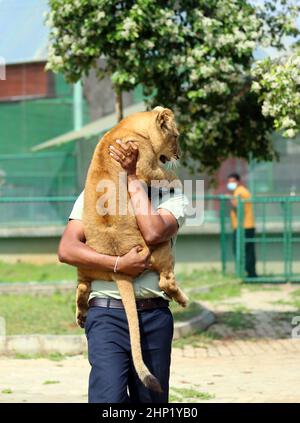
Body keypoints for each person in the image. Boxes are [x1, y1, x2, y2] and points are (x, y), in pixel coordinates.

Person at [58, 139, 188, 403]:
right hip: (106, 314)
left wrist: (132, 180)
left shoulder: (175, 196)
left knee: (150, 403)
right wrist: (117, 265)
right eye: (128, 155)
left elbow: (153, 232)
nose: (134, 159)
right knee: (108, 401)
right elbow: (67, 249)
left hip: (153, 316)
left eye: (140, 156)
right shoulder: (95, 192)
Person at [227, 172, 257, 278]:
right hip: (243, 226)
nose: (230, 184)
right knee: (246, 250)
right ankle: (249, 273)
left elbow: (239, 207)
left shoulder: (240, 192)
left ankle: (249, 273)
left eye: (233, 181)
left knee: (243, 250)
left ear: (238, 182)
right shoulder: (239, 191)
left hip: (244, 226)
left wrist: (232, 201)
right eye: (229, 182)